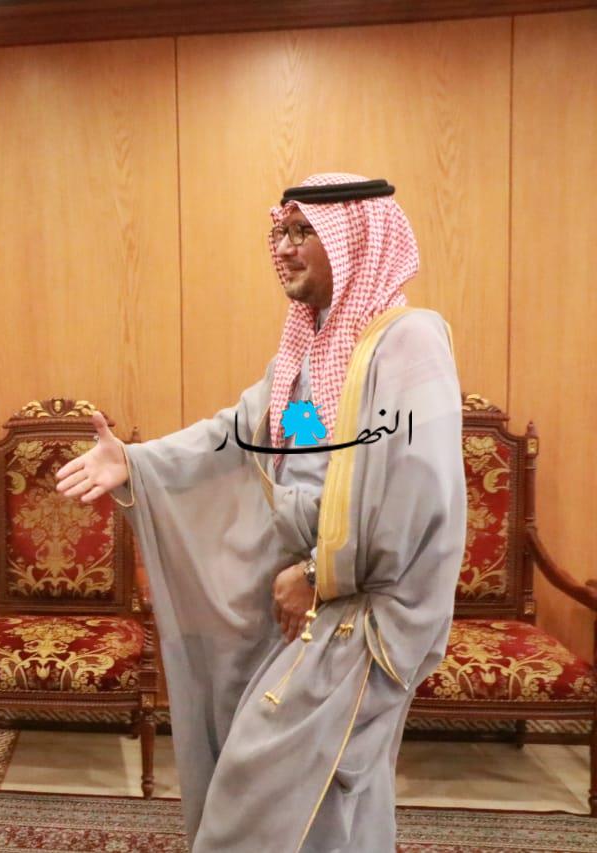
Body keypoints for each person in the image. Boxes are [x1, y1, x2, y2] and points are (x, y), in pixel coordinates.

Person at [56, 174, 465, 851]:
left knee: (261, 784)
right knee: (331, 798)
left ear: (354, 239)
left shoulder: (407, 344)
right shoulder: (311, 351)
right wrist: (136, 462)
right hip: (307, 602)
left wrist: (318, 575)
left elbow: (413, 496)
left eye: (305, 232)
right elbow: (251, 436)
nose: (285, 246)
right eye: (282, 231)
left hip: (361, 612)